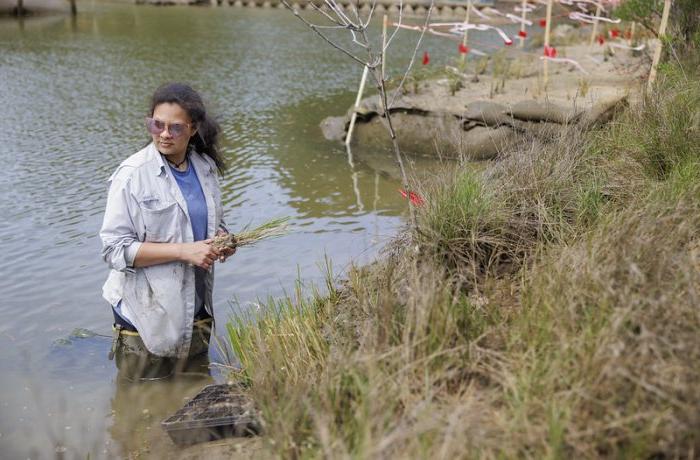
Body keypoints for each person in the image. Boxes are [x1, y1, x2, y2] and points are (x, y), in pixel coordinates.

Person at [100, 83, 235, 381]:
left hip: (196, 307)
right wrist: (185, 251)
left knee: (194, 387)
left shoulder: (205, 168)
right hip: (144, 314)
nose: (163, 134)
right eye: (157, 124)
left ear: (193, 128)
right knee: (139, 404)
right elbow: (114, 251)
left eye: (175, 128)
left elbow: (213, 223)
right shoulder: (132, 175)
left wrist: (225, 240)